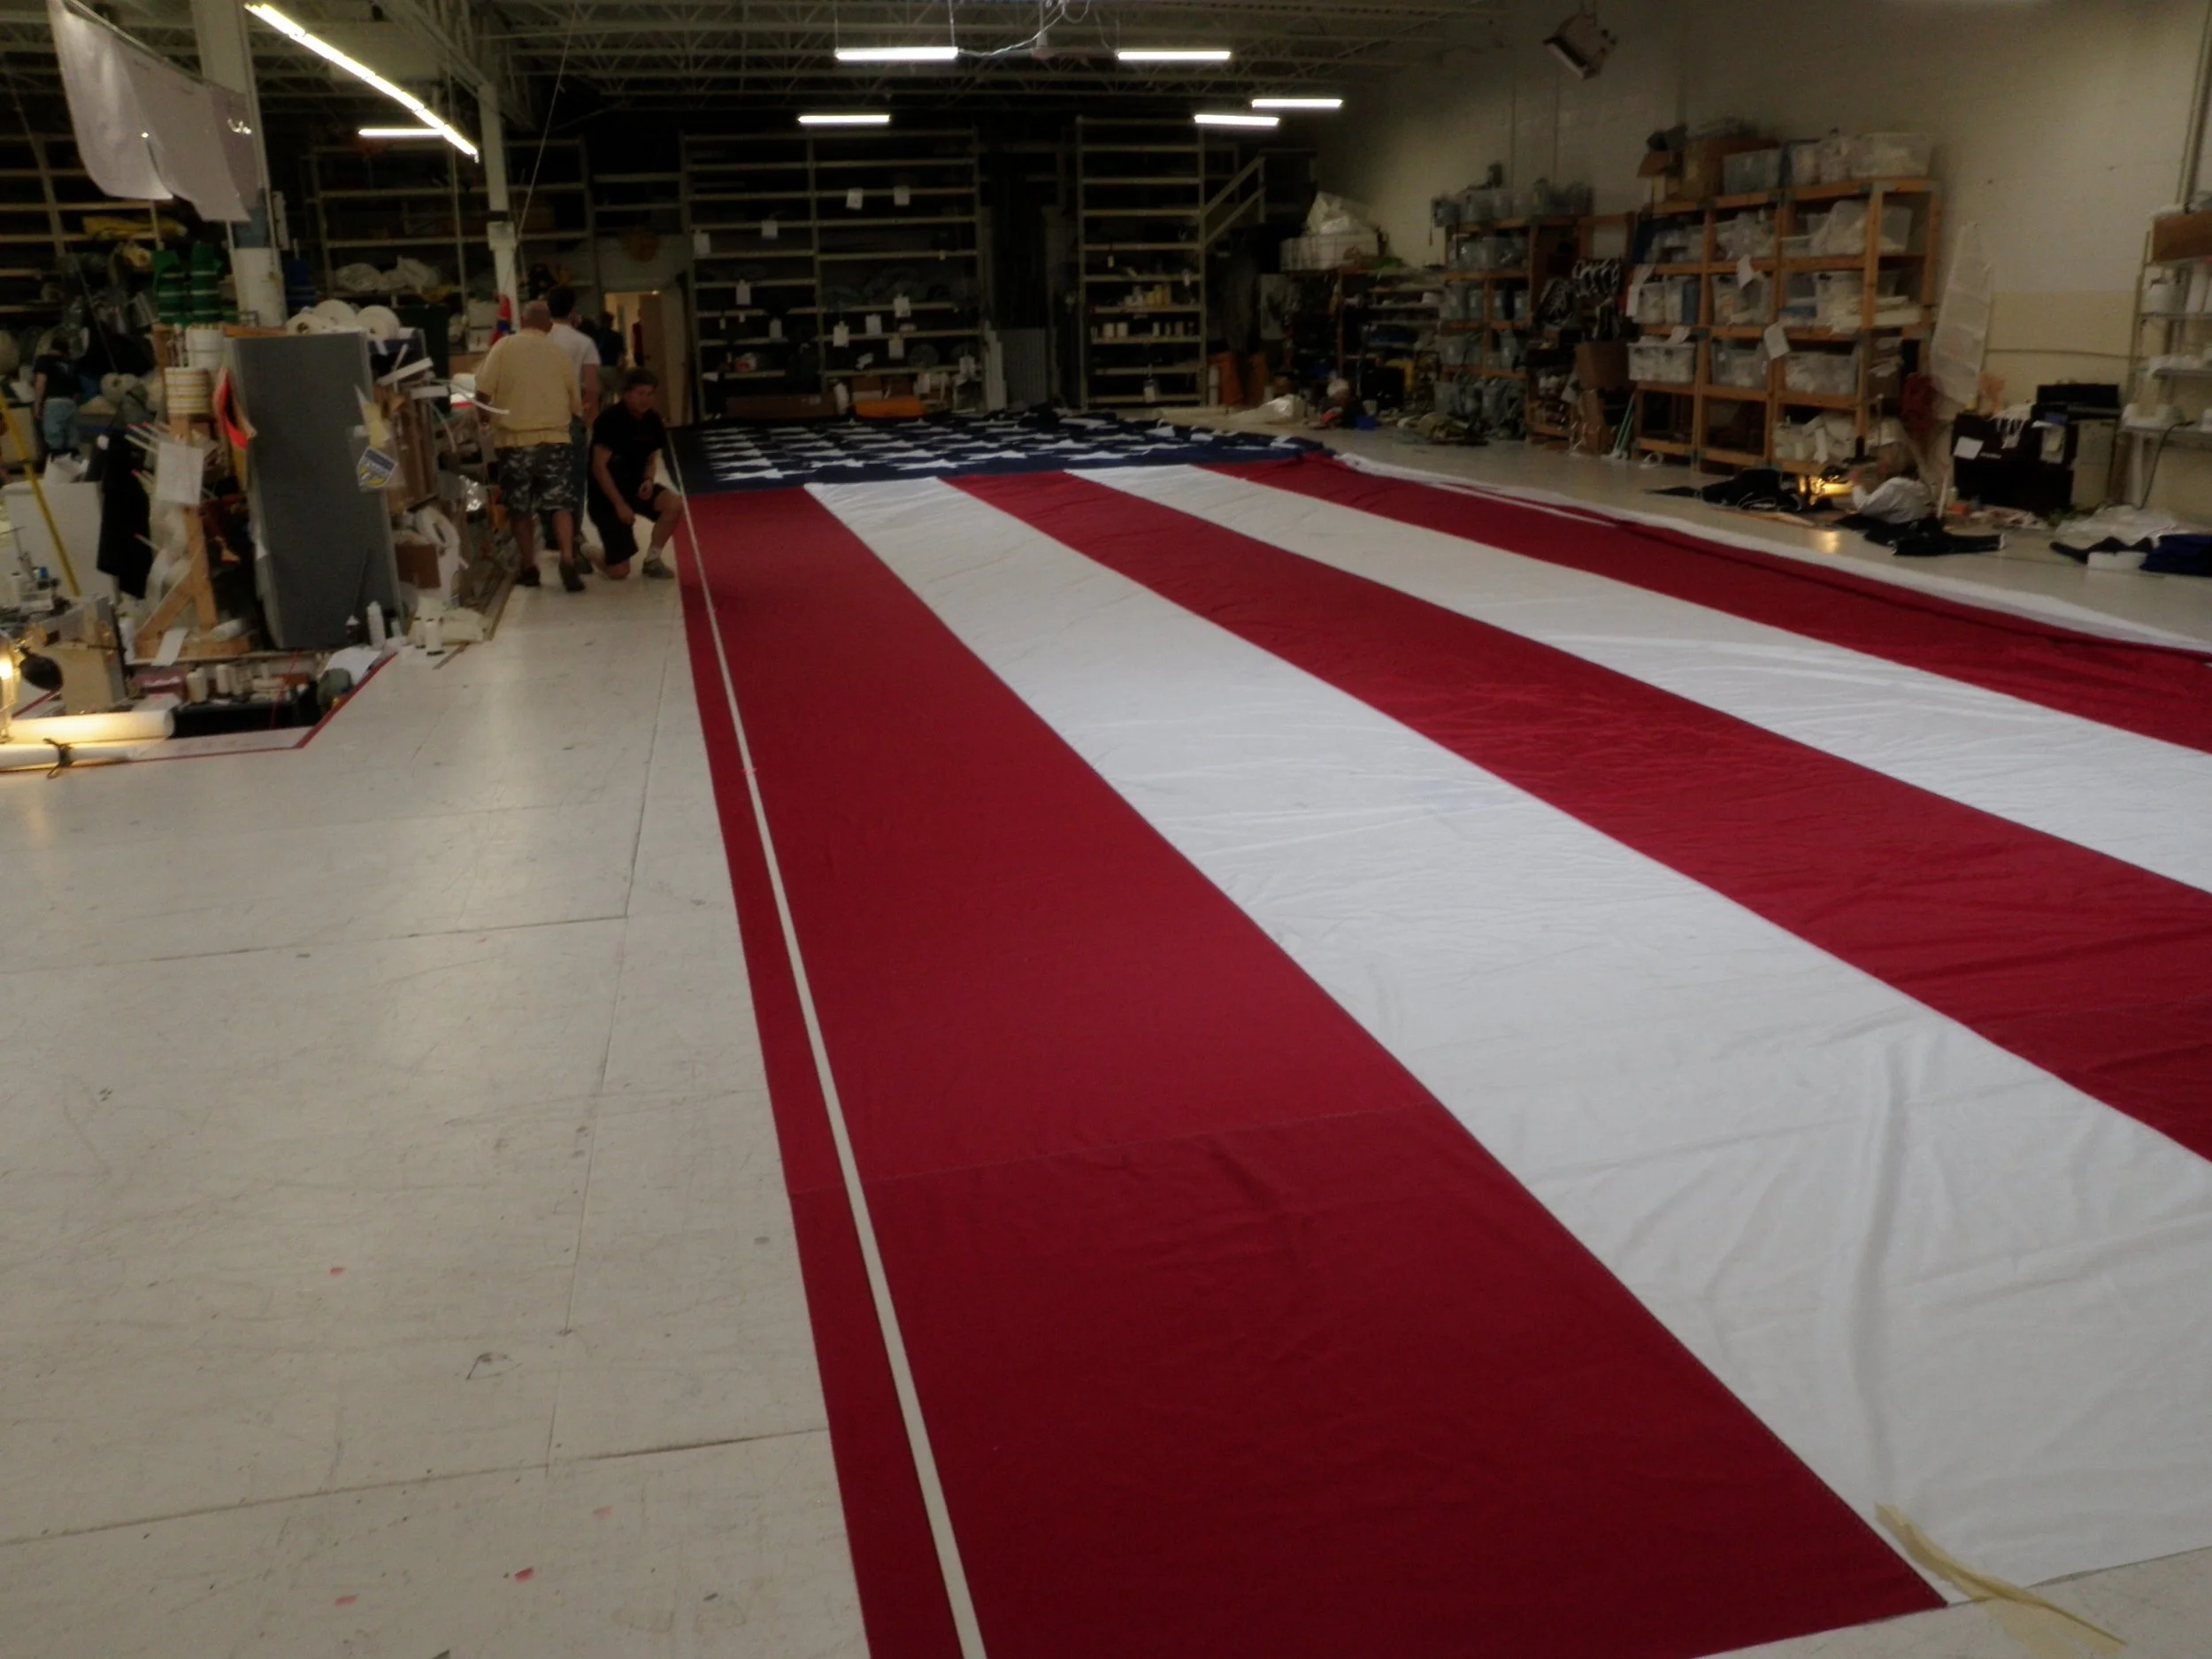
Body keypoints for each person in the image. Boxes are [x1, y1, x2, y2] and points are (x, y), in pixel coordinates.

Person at [475, 298, 586, 591]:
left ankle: (530, 567)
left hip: (515, 442)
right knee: (561, 503)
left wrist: (483, 417)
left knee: (520, 508)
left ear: (522, 322)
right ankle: (567, 557)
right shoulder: (559, 354)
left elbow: (483, 390)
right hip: (556, 440)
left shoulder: (504, 347)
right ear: (549, 326)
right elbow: (576, 403)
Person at [588, 367, 680, 580]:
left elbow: (650, 458)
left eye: (649, 394)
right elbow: (598, 467)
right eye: (640, 394)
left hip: (636, 488)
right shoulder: (609, 421)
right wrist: (619, 505)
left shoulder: (653, 421)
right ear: (626, 394)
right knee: (619, 572)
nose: (646, 400)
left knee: (674, 503)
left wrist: (648, 480)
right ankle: (589, 552)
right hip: (606, 496)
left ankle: (653, 559)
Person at [545, 286, 601, 560]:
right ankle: (574, 536)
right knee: (574, 482)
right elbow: (591, 388)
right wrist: (587, 421)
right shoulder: (583, 343)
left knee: (546, 481)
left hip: (540, 421)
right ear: (573, 310)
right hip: (570, 420)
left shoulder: (539, 341)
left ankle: (551, 536)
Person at [30, 331, 79, 455]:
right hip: (70, 403)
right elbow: (77, 390)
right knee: (71, 441)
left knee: (54, 440)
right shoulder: (70, 364)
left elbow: (41, 383)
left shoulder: (44, 360)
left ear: (51, 347)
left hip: (53, 403)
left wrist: (37, 406)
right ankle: (72, 468)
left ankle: (56, 468)